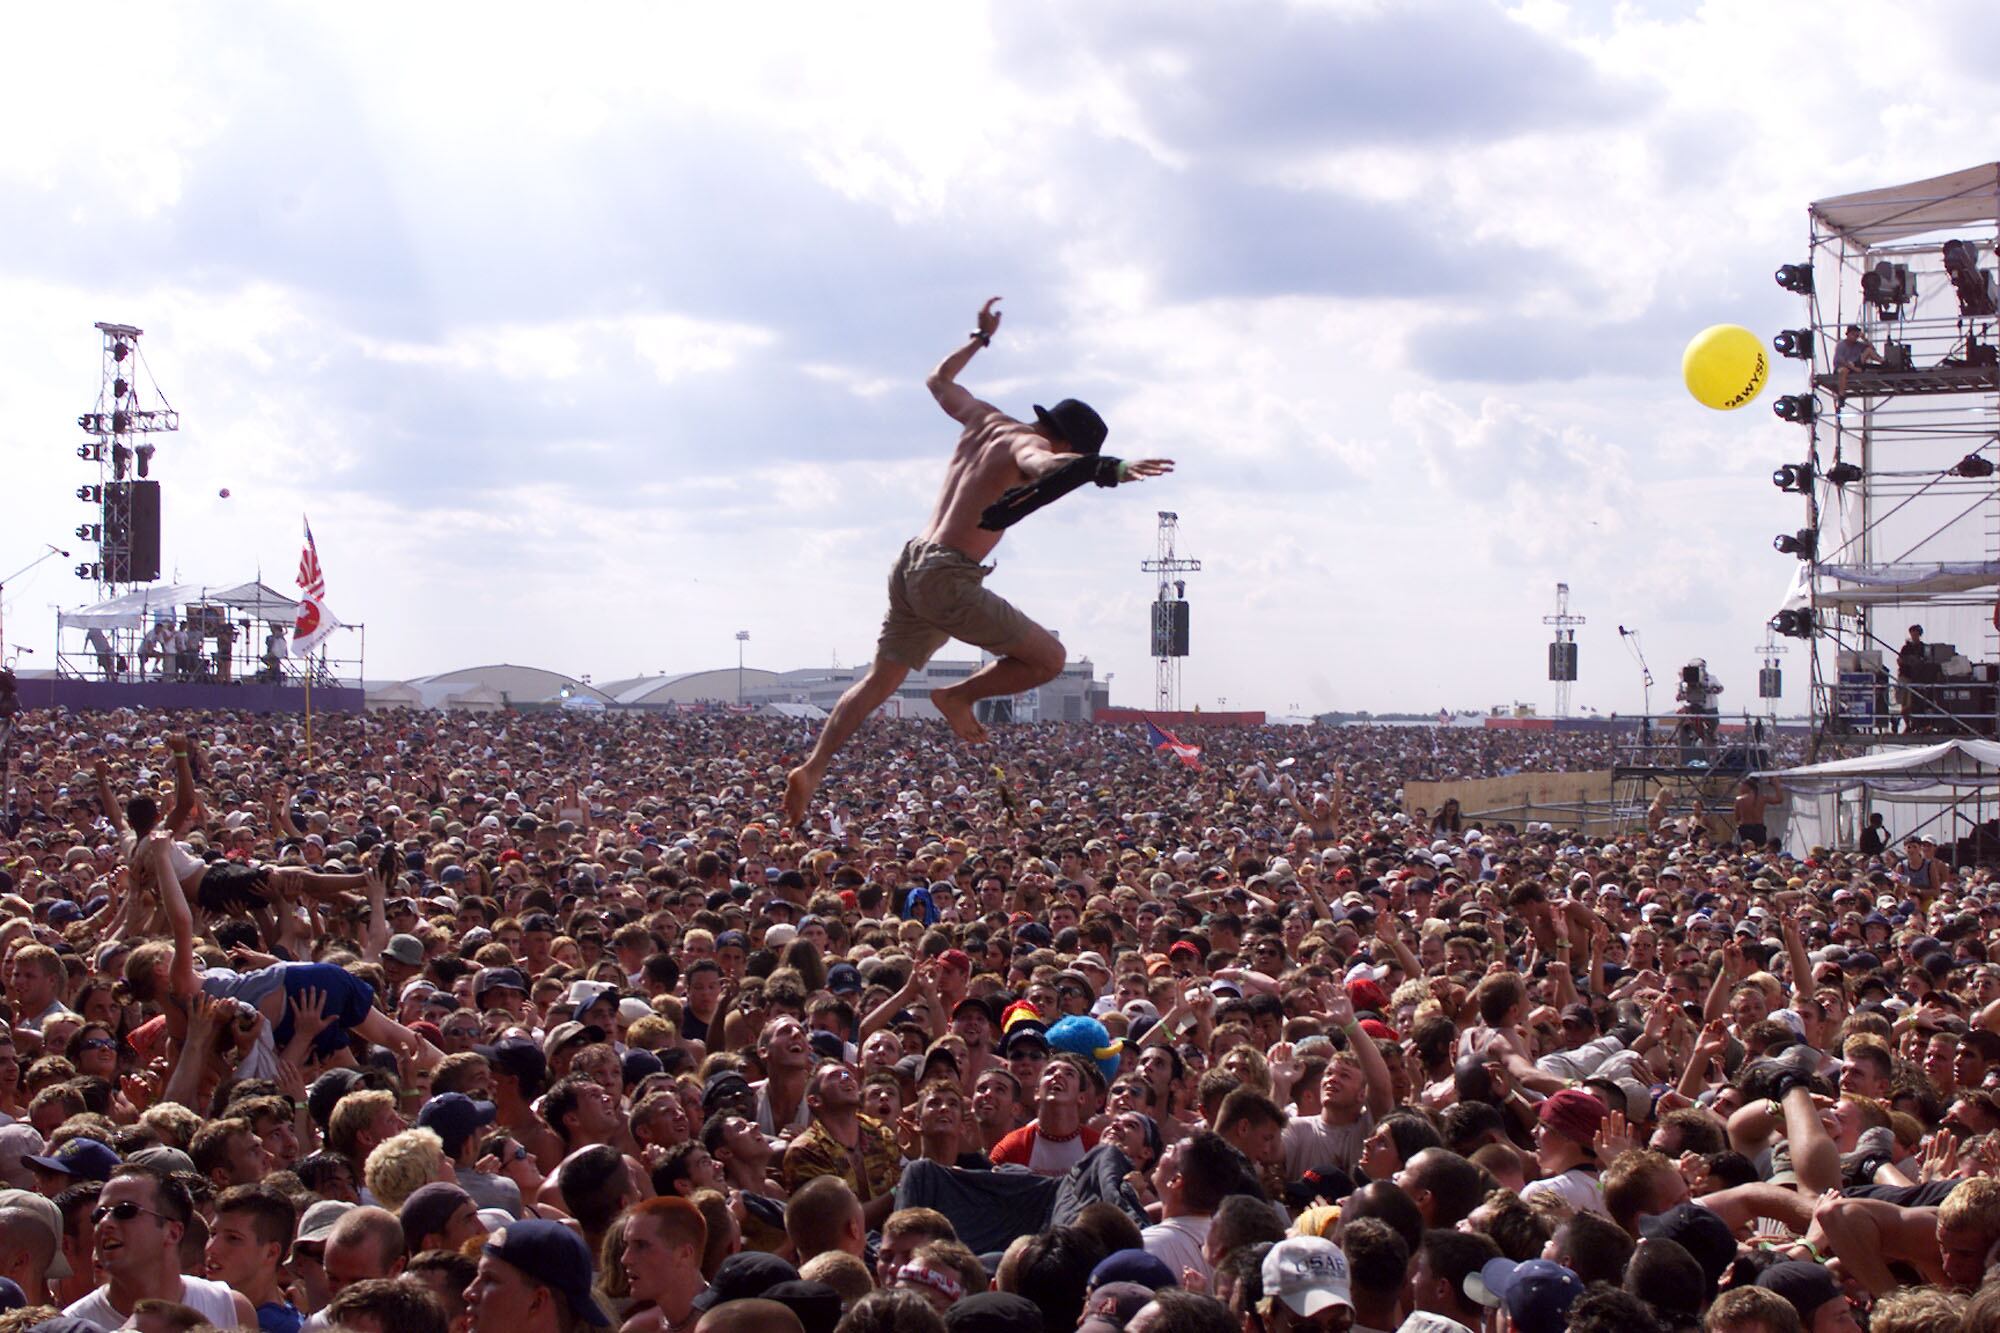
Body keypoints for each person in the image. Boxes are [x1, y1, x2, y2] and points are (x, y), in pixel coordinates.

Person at [783, 297, 1172, 824]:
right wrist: (1110, 468)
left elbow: (938, 380)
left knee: (880, 679)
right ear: (1071, 442)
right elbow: (1048, 464)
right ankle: (956, 696)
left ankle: (814, 766)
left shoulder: (985, 420)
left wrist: (979, 337)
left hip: (910, 562)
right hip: (947, 575)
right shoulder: (1028, 450)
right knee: (1049, 659)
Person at [63, 1165, 259, 1331]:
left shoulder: (230, 1307)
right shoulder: (73, 1325)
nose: (105, 1222)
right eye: (99, 1215)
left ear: (173, 1232)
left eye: (125, 1210)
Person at [1832, 324, 1883, 397]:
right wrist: (1855, 369)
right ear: (1848, 334)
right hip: (1843, 366)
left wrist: (1864, 338)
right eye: (1852, 334)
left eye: (1856, 335)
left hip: (1856, 364)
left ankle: (1884, 363)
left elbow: (1872, 350)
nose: (1854, 337)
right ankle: (1841, 395)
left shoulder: (1858, 344)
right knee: (1843, 371)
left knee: (1868, 350)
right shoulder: (1841, 345)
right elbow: (1841, 360)